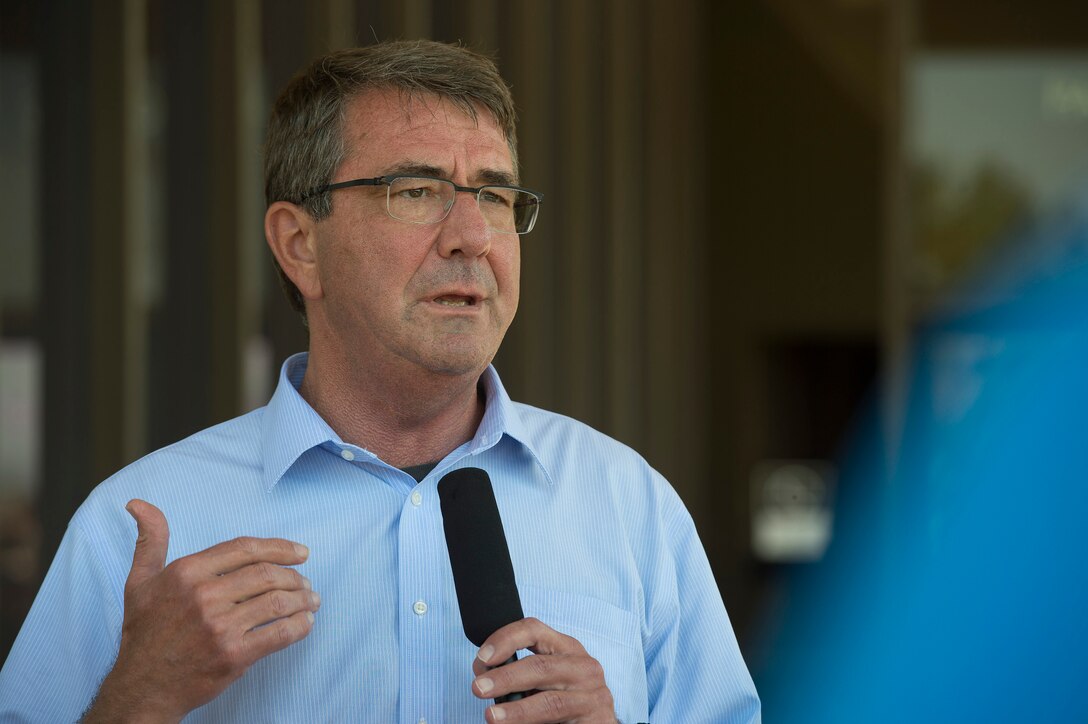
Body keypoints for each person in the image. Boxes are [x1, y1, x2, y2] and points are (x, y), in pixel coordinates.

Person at [0, 40, 760, 723]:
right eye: (416, 191)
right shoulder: (139, 530)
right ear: (299, 245)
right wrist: (141, 697)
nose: (471, 237)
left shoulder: (631, 508)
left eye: (495, 196)